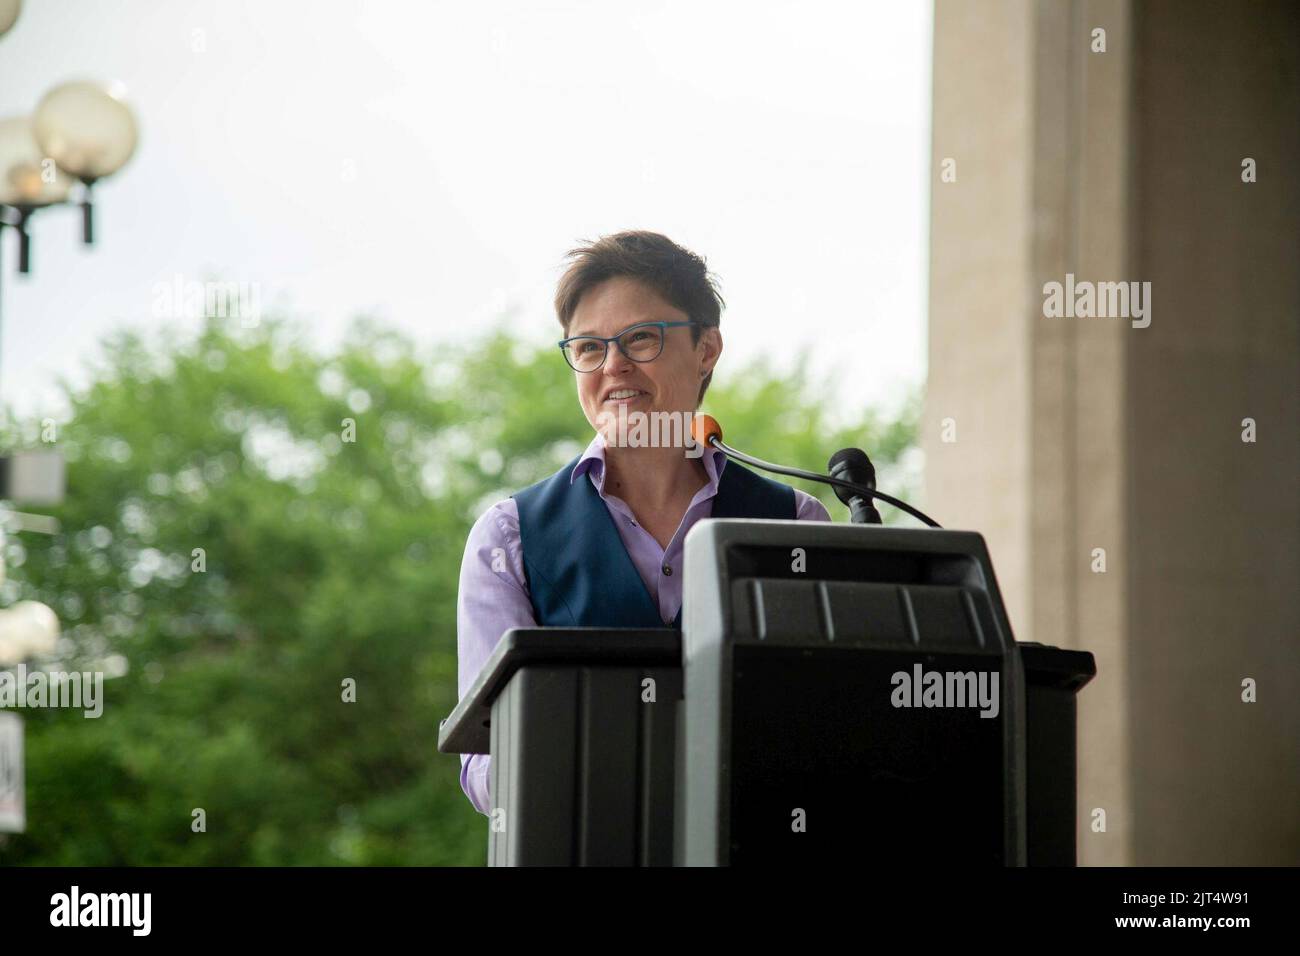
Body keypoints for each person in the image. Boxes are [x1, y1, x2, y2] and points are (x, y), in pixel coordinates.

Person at [455, 230, 832, 815]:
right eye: (588, 348)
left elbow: (825, 723)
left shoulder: (798, 526)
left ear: (706, 348)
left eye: (640, 339)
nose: (614, 367)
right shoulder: (507, 541)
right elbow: (483, 764)